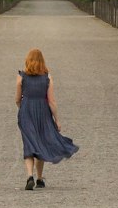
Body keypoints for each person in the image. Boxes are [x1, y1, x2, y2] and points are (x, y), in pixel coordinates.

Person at [15, 47, 78, 190]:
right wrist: (57, 120)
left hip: (26, 111)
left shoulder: (21, 77)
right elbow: (52, 102)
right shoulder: (47, 77)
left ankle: (29, 176)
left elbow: (17, 99)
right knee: (41, 142)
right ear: (42, 61)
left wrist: (22, 108)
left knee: (29, 143)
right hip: (43, 112)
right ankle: (39, 178)